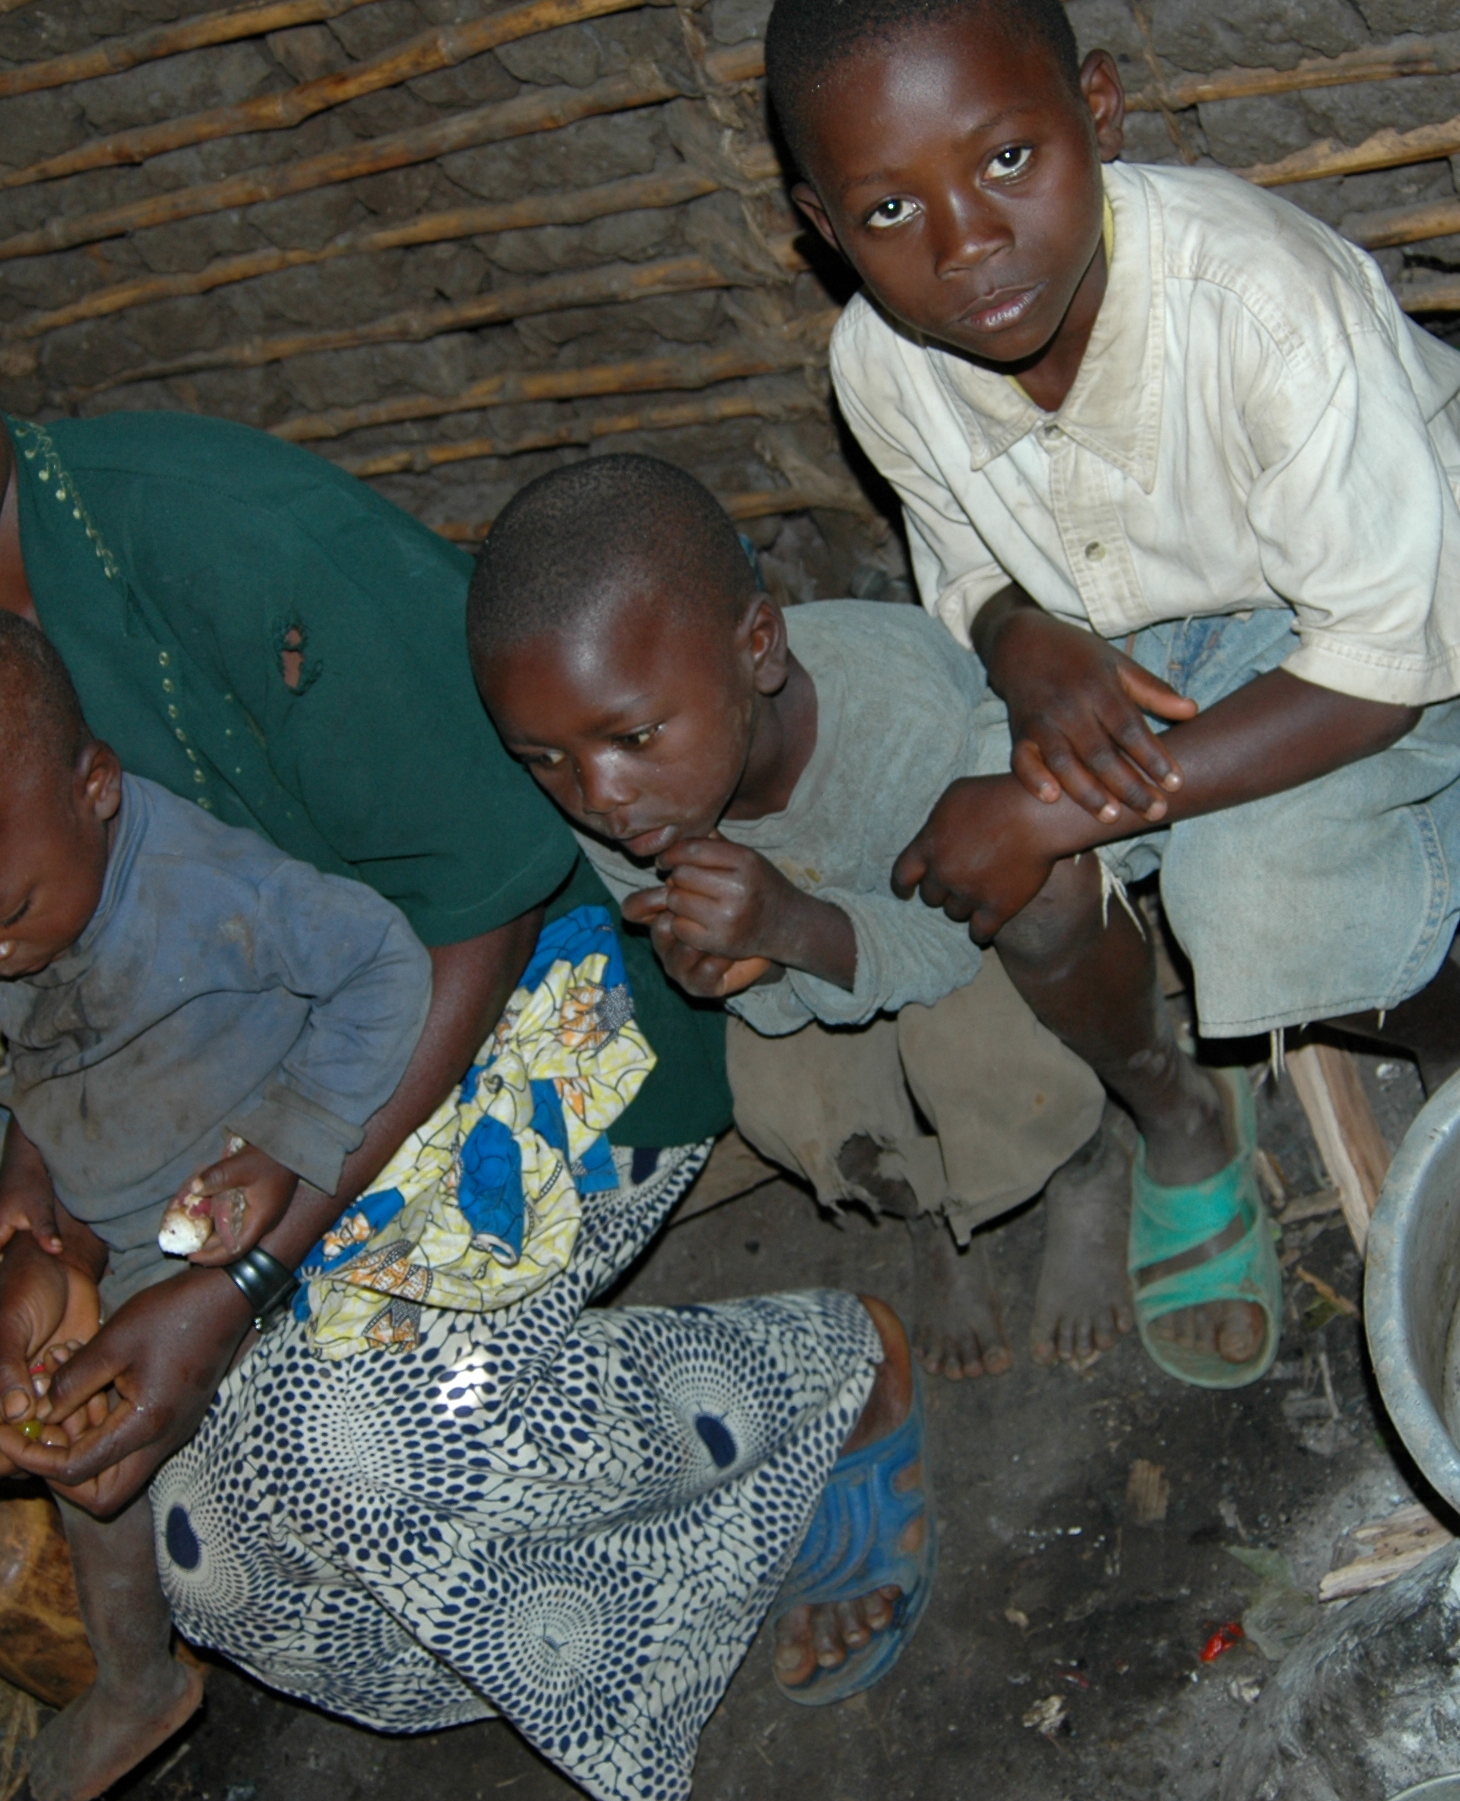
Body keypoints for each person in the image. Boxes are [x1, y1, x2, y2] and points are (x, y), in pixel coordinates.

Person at [0, 78, 930, 1801]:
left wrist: (243, 1285)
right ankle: (630, 1591)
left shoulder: (222, 541)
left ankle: (830, 1376)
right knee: (181, 1527)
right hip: (250, 1097)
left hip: (538, 1004)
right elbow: (54, 987)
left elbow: (478, 903)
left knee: (347, 1438)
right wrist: (37, 1228)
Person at [763, 0, 1460, 1390]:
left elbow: (1378, 664)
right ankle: (1180, 1115)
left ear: (1099, 109)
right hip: (1119, 625)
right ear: (823, 227)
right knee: (1021, 888)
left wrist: (1058, 803)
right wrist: (1013, 633)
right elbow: (964, 560)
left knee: (1251, 889)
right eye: (887, 212)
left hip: (1378, 594)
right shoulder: (880, 362)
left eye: (1009, 159)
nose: (967, 244)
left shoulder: (1255, 300)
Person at [0, 607, 433, 1800]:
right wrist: (26, 1181)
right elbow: (46, 1054)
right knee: (72, 1444)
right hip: (125, 1224)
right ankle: (136, 1677)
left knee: (209, 1458)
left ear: (94, 786)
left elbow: (386, 962)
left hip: (265, 1198)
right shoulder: (31, 899)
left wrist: (287, 1135)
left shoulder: (199, 888)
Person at [468, 454, 1140, 1381]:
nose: (599, 796)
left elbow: (956, 936)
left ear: (760, 648)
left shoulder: (896, 713)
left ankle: (1083, 1161)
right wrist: (741, 968)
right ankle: (930, 1210)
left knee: (984, 1061)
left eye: (635, 737)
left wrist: (791, 929)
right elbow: (761, 990)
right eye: (543, 758)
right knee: (786, 1102)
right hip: (825, 952)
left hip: (967, 930)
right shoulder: (626, 803)